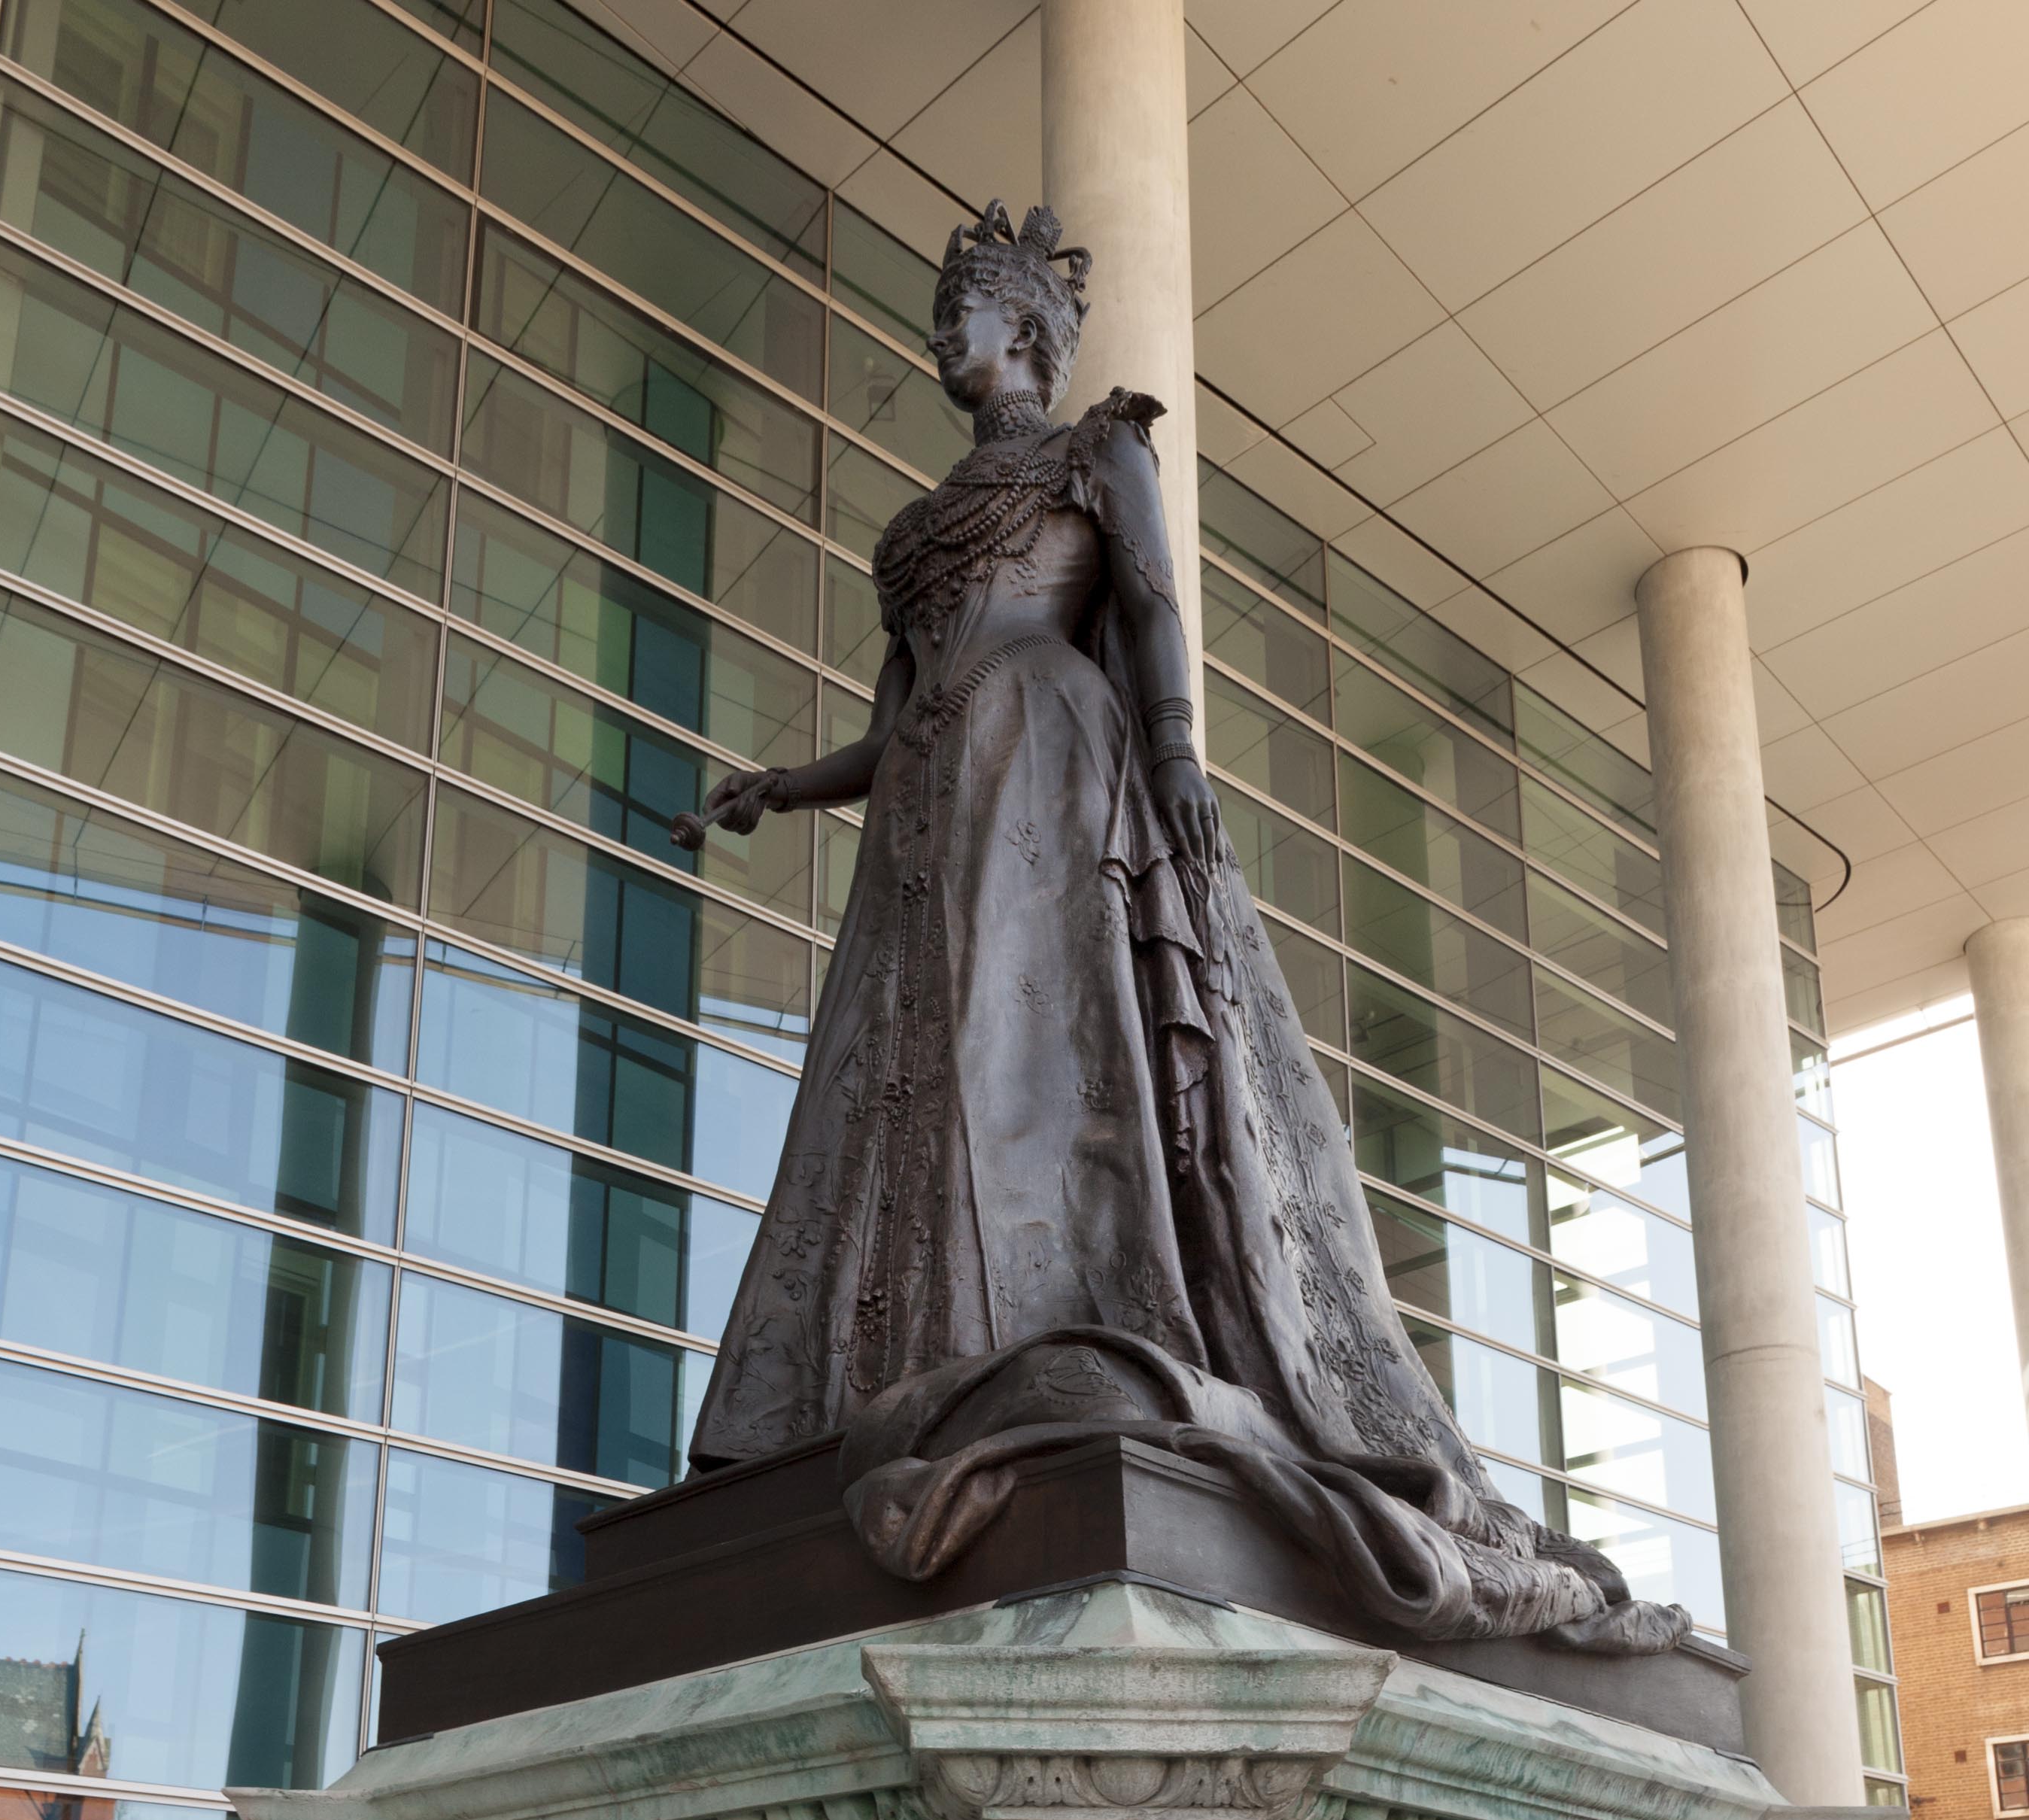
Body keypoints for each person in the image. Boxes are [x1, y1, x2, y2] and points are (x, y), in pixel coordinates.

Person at [682, 202, 1684, 1655]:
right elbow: (893, 727)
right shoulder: (909, 538)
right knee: (922, 1079)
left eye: (968, 304)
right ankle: (937, 1353)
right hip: (928, 816)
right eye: (942, 308)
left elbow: (1149, 605)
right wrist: (779, 788)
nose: (943, 328)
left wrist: (1172, 754)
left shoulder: (1099, 450)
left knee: (1042, 1053)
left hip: (1052, 761)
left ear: (1028, 325)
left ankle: (1087, 1309)